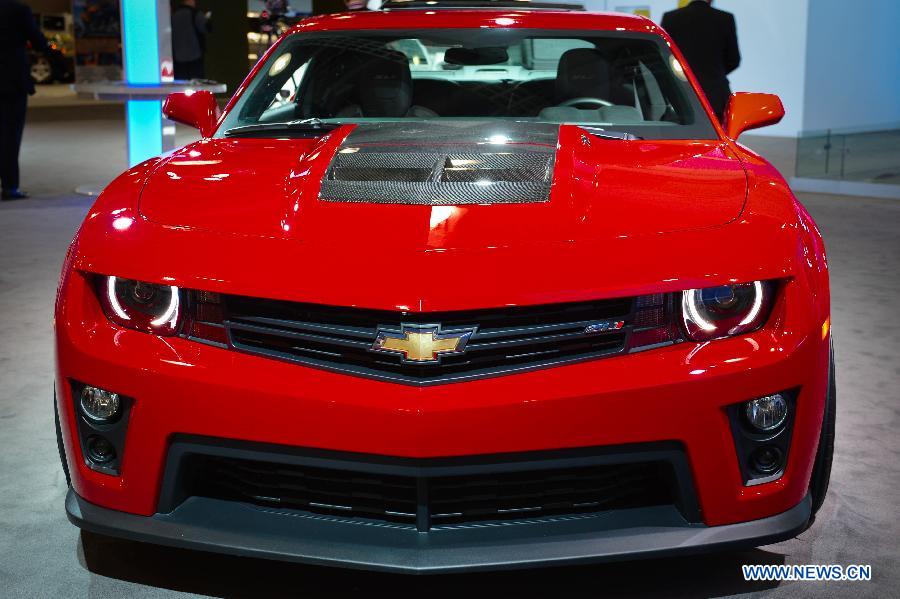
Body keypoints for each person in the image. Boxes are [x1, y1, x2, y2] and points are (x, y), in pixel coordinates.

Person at [0, 0, 48, 201]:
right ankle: (10, 187)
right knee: (10, 135)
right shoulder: (18, 10)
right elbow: (37, 41)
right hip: (12, 82)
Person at [661, 0, 740, 123]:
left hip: (679, 96)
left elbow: (664, 58)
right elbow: (734, 60)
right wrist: (714, 74)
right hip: (715, 97)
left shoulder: (671, 18)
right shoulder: (725, 18)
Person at [171, 0, 211, 80]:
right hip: (195, 56)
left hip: (178, 57)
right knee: (197, 83)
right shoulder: (196, 14)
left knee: (180, 84)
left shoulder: (174, 14)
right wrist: (207, 19)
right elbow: (206, 28)